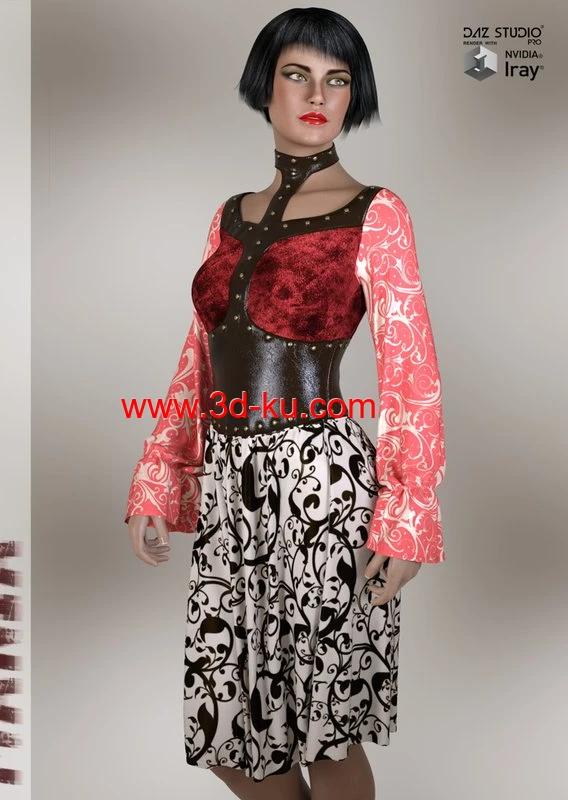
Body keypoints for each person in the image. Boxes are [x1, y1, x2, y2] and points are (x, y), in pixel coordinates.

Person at [124, 7, 446, 800]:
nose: (317, 96)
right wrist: (161, 478)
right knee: (233, 732)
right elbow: (197, 358)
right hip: (232, 492)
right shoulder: (227, 216)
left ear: (353, 96)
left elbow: (410, 369)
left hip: (322, 488)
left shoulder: (376, 211)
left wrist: (407, 514)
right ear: (264, 88)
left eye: (337, 80)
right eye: (297, 75)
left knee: (324, 731)